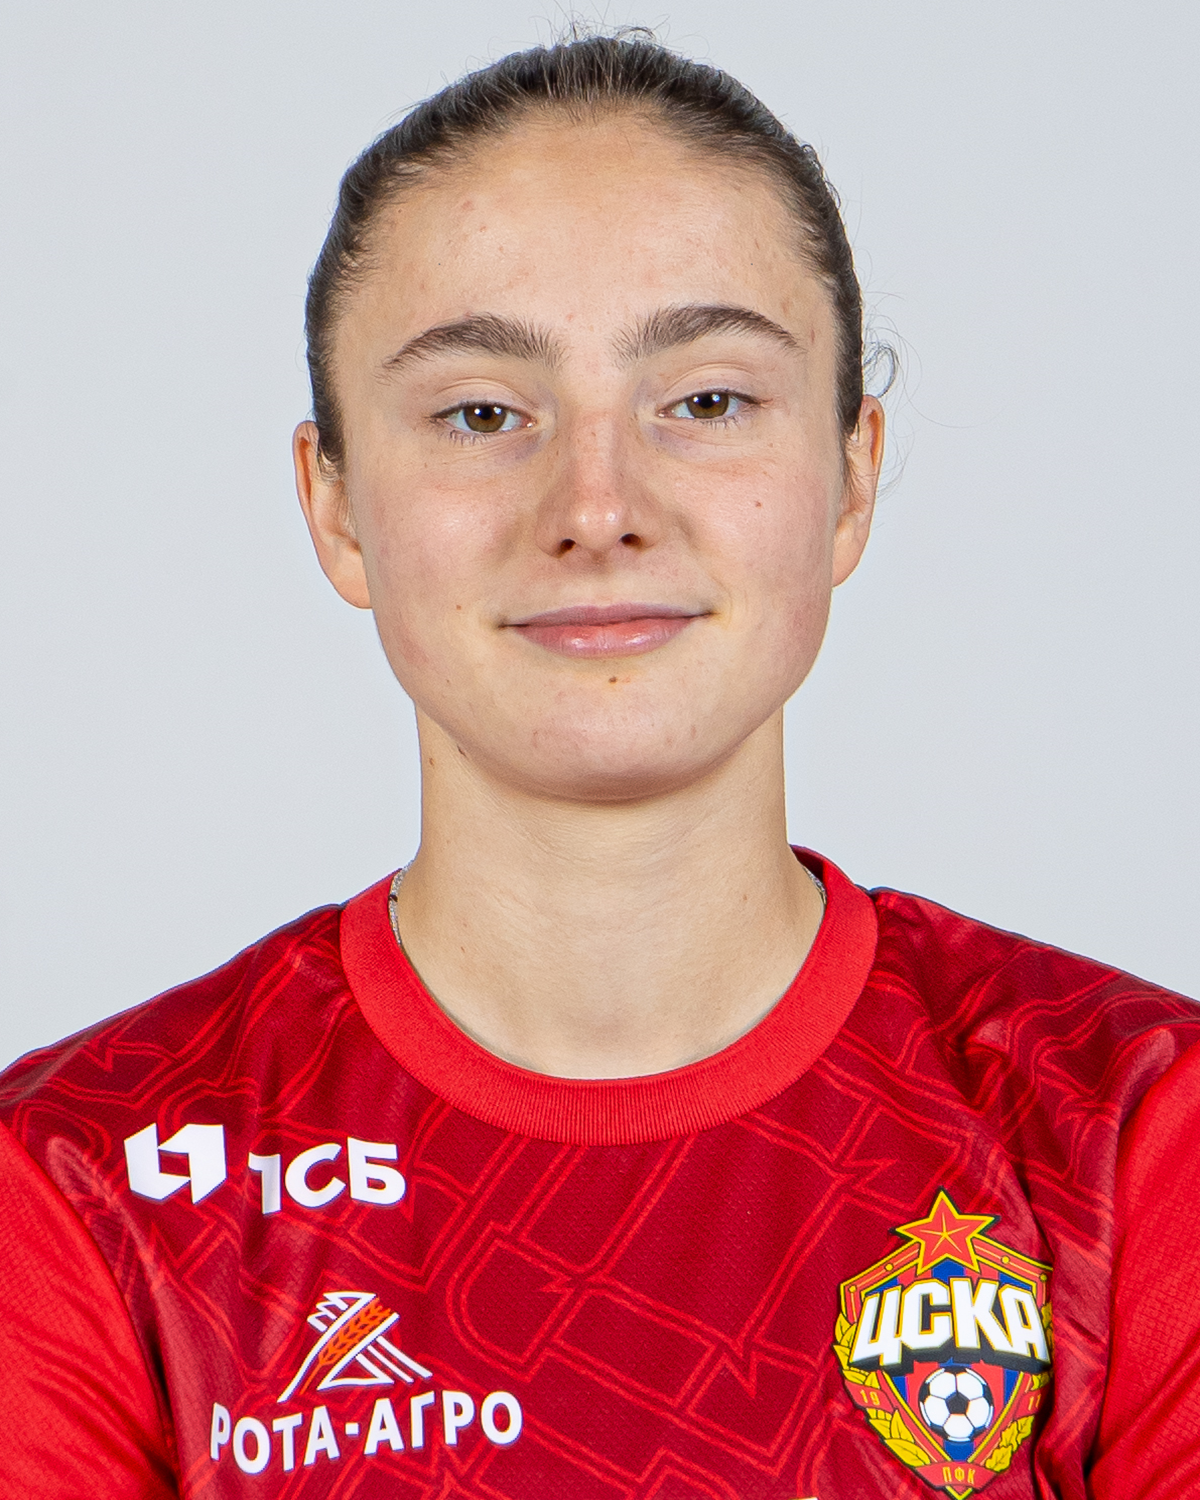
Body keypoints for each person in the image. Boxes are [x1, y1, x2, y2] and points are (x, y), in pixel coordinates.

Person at [1, 30, 1197, 1500]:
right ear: (337, 508)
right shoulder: (78, 1185)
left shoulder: (1136, 1137)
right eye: (482, 414)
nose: (597, 505)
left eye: (706, 401)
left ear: (851, 477)